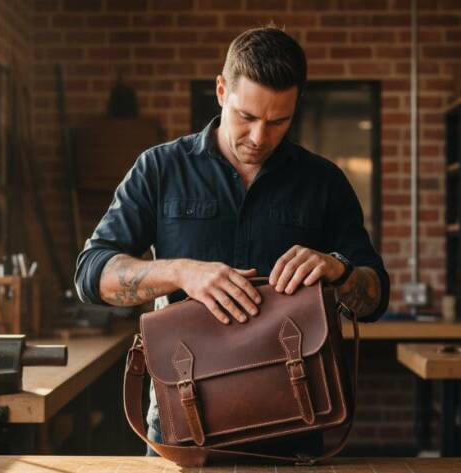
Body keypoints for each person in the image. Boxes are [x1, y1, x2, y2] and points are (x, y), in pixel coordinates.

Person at [75, 25, 389, 457]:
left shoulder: (324, 182)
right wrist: (181, 271)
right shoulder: (159, 169)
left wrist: (340, 269)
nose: (260, 138)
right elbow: (91, 274)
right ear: (221, 90)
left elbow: (375, 298)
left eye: (279, 121)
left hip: (294, 430)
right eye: (247, 116)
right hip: (183, 429)